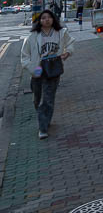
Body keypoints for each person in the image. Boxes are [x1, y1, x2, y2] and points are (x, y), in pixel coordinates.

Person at [20, 9, 74, 139]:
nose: (46, 20)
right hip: (38, 68)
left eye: (49, 17)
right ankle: (44, 118)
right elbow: (24, 56)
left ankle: (42, 128)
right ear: (40, 21)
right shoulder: (33, 36)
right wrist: (32, 69)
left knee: (48, 99)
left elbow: (70, 43)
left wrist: (67, 53)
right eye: (43, 18)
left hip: (53, 67)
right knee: (37, 99)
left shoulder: (61, 32)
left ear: (53, 19)